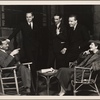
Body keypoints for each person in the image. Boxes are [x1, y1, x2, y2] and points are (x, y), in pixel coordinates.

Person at [4, 11, 40, 93]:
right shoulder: (22, 24)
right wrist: (8, 39)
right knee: (31, 67)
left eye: (30, 17)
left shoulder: (36, 25)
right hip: (27, 50)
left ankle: (35, 87)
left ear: (33, 17)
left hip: (36, 50)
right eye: (27, 17)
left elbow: (39, 37)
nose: (28, 18)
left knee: (35, 67)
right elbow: (15, 32)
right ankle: (32, 88)